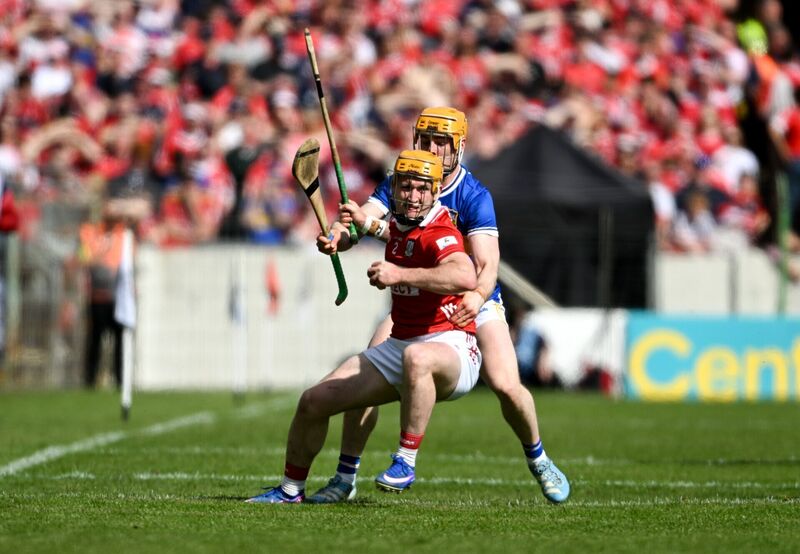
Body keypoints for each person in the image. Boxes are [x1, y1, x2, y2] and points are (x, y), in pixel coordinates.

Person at [310, 107, 570, 504]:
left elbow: (486, 264)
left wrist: (478, 297)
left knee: (505, 384)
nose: (431, 149)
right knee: (368, 367)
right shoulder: (403, 179)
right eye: (426, 140)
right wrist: (339, 236)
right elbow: (367, 221)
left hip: (471, 298)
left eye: (441, 143)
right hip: (417, 295)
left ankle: (539, 457)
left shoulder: (473, 195)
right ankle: (345, 477)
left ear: (458, 147)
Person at [246, 150, 482, 503]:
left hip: (452, 346)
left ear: (434, 192)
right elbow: (380, 229)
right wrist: (339, 238)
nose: (413, 197)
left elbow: (464, 274)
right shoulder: (401, 223)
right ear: (395, 186)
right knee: (313, 401)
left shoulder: (441, 229)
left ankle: (405, 460)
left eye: (421, 189)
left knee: (418, 357)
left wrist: (398, 274)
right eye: (405, 187)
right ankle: (290, 490)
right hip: (401, 344)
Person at [78, 200, 126, 387]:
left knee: (119, 340)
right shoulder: (90, 231)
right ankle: (90, 379)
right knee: (95, 338)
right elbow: (85, 258)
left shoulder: (124, 234)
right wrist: (103, 250)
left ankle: (121, 379)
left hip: (118, 296)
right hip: (97, 294)